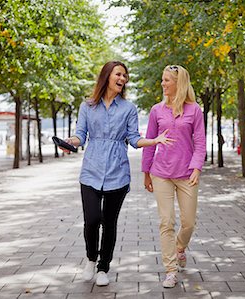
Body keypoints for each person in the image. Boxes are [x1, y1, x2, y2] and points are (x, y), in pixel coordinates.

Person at [61, 61, 174, 287]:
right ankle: (91, 258)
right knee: (92, 220)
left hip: (118, 173)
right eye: (118, 74)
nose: (123, 79)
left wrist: (154, 140)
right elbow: (80, 136)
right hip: (91, 171)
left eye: (125, 76)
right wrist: (69, 142)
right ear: (107, 76)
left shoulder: (129, 109)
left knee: (109, 222)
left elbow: (133, 139)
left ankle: (104, 267)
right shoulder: (88, 106)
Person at [142, 65, 206, 288]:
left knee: (188, 222)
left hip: (187, 173)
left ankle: (180, 247)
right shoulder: (156, 110)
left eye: (167, 80)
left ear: (179, 83)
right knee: (166, 222)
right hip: (161, 173)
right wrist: (146, 172)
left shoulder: (194, 110)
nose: (163, 83)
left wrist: (197, 167)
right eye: (162, 79)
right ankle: (170, 269)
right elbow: (149, 143)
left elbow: (200, 142)